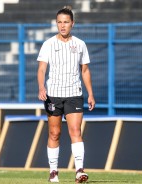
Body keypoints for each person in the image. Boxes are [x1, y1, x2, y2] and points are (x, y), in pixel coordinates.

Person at [37, 6, 95, 183]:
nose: (62, 26)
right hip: (53, 95)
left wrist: (91, 94)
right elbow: (41, 69)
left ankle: (79, 170)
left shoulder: (80, 44)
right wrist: (41, 87)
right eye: (59, 22)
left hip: (74, 94)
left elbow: (85, 71)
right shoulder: (48, 44)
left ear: (72, 24)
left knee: (75, 130)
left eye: (66, 22)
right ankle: (53, 172)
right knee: (54, 133)